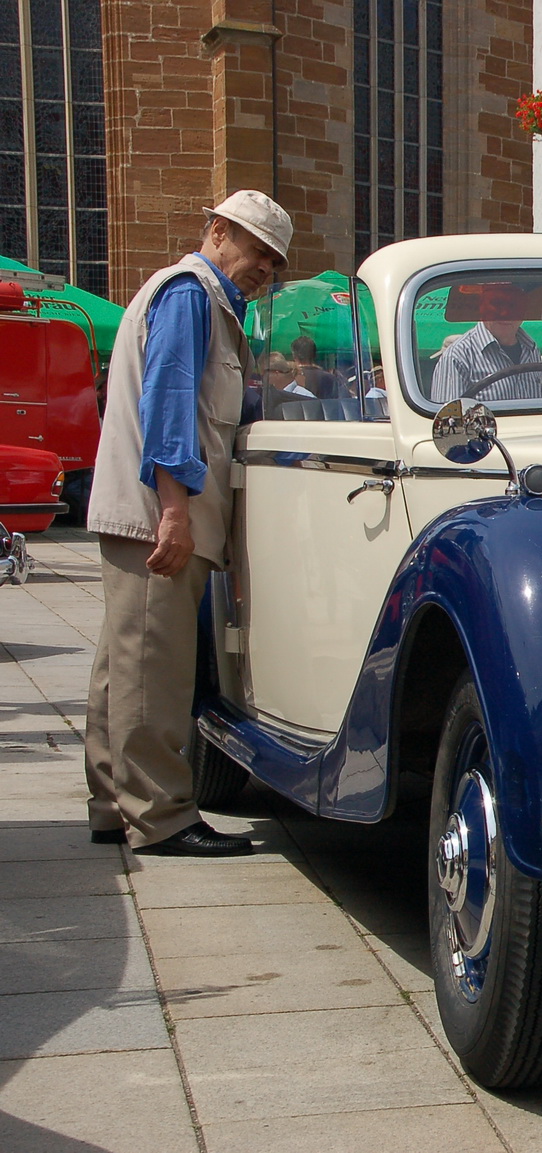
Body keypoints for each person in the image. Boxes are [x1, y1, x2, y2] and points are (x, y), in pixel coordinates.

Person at [84, 189, 291, 857]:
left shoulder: (202, 300)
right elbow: (169, 406)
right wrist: (174, 512)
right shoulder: (190, 294)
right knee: (155, 672)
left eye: (274, 261)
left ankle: (113, 805)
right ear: (218, 231)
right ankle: (162, 816)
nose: (265, 268)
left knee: (123, 667)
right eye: (258, 250)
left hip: (148, 513)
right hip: (159, 516)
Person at [429, 282, 542, 402]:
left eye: (513, 305)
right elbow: (449, 413)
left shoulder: (531, 350)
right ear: (481, 306)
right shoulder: (458, 356)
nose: (505, 313)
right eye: (497, 304)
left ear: (524, 310)